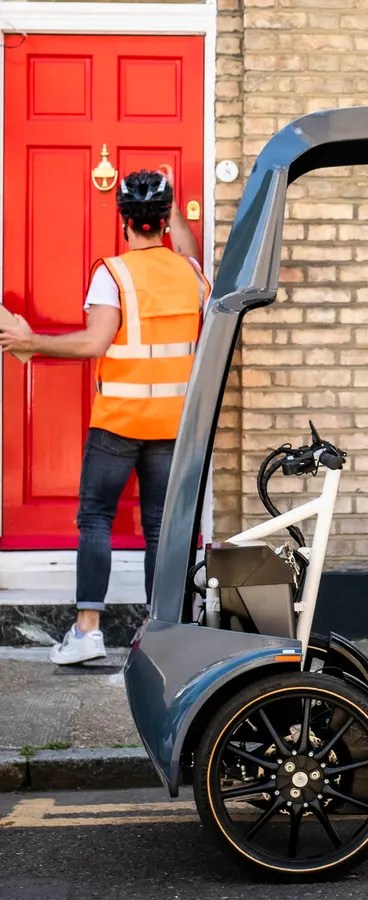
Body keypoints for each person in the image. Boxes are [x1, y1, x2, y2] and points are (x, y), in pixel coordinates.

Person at [0, 167, 208, 664]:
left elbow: (95, 342)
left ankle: (88, 631)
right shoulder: (193, 274)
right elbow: (190, 249)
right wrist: (172, 201)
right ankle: (159, 634)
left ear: (124, 221)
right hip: (171, 424)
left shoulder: (113, 273)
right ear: (163, 219)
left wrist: (30, 342)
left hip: (118, 421)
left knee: (95, 519)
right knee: (160, 527)